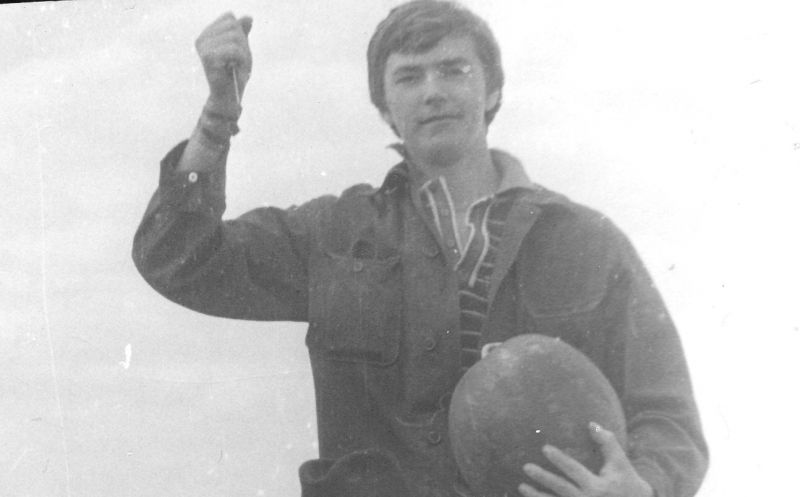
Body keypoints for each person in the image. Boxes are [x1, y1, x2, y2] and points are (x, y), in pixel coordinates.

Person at [132, 1, 708, 496]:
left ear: (493, 90)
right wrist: (218, 116)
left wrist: (644, 485)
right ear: (385, 107)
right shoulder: (334, 233)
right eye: (409, 77)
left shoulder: (585, 241)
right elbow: (179, 258)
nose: (433, 91)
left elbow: (667, 417)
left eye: (454, 70)